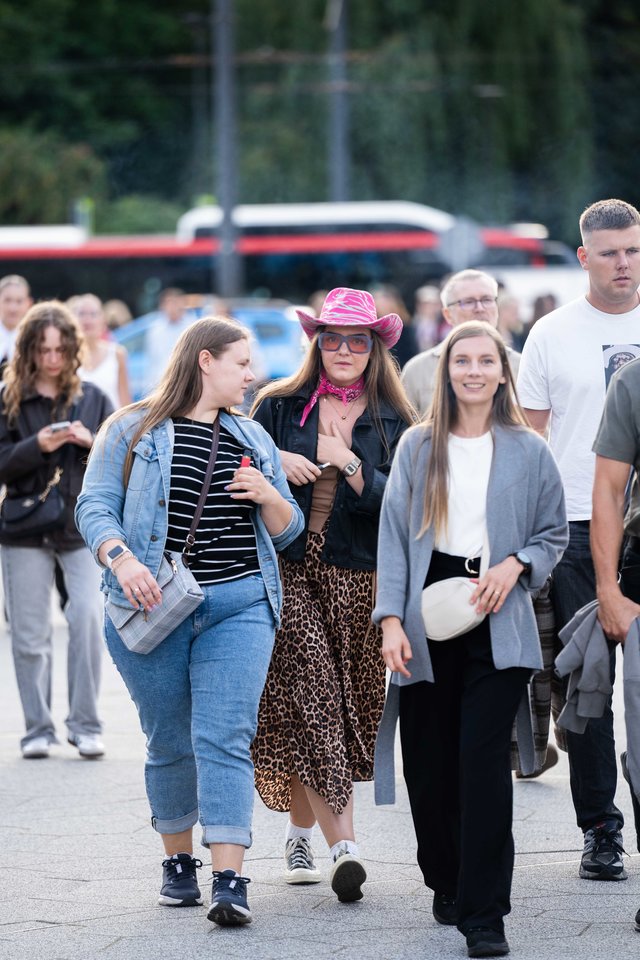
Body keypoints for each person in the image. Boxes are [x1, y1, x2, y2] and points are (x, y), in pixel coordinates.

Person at [75, 316, 303, 926]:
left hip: (241, 604)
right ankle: (179, 865)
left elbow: (290, 533)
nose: (252, 375)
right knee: (170, 740)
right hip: (153, 605)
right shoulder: (132, 428)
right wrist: (122, 560)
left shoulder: (252, 437)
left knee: (225, 736)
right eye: (242, 363)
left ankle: (230, 879)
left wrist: (269, 494)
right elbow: (93, 506)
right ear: (206, 361)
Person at [374, 321, 567, 958]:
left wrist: (517, 564)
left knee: (482, 766)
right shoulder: (418, 445)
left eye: (487, 360)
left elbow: (553, 533)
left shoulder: (529, 449)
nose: (475, 371)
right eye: (463, 360)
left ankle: (486, 915)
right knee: (429, 767)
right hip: (425, 612)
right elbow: (394, 539)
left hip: (498, 613)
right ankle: (446, 878)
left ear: (504, 373)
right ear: (447, 370)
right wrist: (391, 620)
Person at [249, 287, 415, 903]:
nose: (344, 350)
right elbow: (238, 467)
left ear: (375, 349)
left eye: (357, 341)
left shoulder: (397, 420)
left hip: (362, 576)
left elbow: (404, 504)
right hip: (290, 566)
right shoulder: (277, 406)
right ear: (316, 344)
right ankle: (345, 848)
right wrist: (280, 461)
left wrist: (345, 462)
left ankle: (299, 833)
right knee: (312, 691)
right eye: (333, 338)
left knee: (344, 713)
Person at [517, 198, 640, 882]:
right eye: (610, 252)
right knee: (587, 685)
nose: (624, 263)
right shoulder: (552, 332)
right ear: (584, 256)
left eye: (633, 250)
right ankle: (600, 829)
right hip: (573, 525)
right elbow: (530, 438)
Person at [0, 301, 113, 760]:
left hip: (79, 527)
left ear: (72, 349)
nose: (52, 359)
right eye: (43, 350)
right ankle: (37, 729)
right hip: (24, 528)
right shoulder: (8, 398)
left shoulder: (93, 397)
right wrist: (37, 445)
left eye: (60, 349)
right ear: (28, 350)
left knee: (86, 618)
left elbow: (122, 459)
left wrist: (91, 441)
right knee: (29, 634)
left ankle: (85, 725)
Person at [401, 269, 521, 417]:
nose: (479, 308)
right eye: (468, 302)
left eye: (487, 300)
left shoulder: (522, 366)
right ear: (447, 314)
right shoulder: (417, 370)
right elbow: (406, 428)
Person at [71, 293, 132, 409]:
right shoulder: (67, 356)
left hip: (111, 419)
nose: (87, 319)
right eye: (82, 314)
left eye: (93, 314)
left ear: (103, 320)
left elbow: (125, 403)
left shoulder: (117, 354)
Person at [145, 288, 193, 393]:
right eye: (169, 303)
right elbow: (153, 360)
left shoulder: (192, 326)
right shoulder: (156, 329)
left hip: (186, 382)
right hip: (162, 383)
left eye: (175, 303)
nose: (172, 308)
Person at [371, 284, 419, 369]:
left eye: (383, 302)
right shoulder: (372, 327)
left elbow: (410, 354)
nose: (380, 305)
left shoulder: (405, 327)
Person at [0, 275, 32, 372]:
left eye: (19, 301)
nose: (13, 308)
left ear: (28, 303)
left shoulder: (33, 338)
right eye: (7, 300)